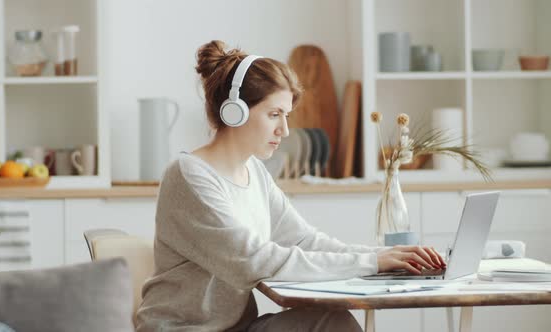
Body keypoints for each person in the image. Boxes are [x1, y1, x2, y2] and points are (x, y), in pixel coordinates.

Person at [135, 40, 446, 332]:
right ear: (234, 111)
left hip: (237, 327)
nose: (284, 130)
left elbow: (303, 241)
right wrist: (371, 263)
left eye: (285, 115)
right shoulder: (189, 175)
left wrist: (384, 256)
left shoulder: (253, 171)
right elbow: (255, 261)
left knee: (331, 319)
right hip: (186, 330)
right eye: (274, 115)